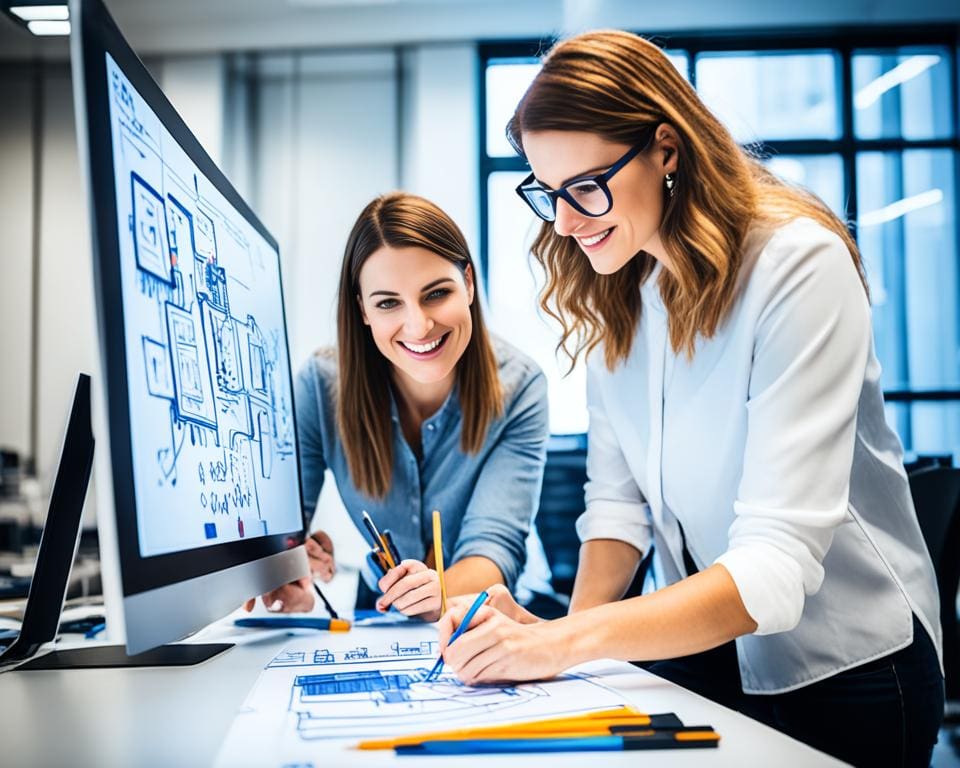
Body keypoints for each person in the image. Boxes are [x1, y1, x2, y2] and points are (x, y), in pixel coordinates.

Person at [437, 30, 944, 767]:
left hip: (852, 667)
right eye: (549, 194)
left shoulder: (796, 265)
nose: (568, 223)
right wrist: (559, 648)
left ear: (666, 150)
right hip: (707, 651)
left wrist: (560, 640)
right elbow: (618, 513)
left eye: (586, 187)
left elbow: (774, 567)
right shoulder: (624, 293)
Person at [246, 192, 548, 622]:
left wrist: (436, 592)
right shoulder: (320, 386)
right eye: (388, 302)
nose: (419, 325)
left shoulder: (519, 386)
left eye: (437, 293)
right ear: (363, 310)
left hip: (490, 610)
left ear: (469, 284)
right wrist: (292, 571)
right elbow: (284, 530)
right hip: (384, 614)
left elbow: (492, 549)